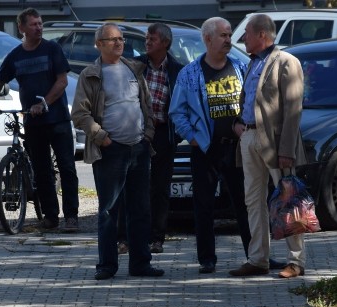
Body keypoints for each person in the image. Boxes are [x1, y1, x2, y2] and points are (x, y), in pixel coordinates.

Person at [71, 23, 164, 280]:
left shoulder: (134, 69)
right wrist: (101, 137)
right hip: (111, 151)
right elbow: (79, 113)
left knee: (140, 209)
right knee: (109, 210)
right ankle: (107, 266)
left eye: (121, 39)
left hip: (138, 148)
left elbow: (145, 105)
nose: (119, 43)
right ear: (99, 44)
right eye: (112, 40)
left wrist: (147, 136)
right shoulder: (91, 74)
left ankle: (140, 264)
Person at [0, 8, 80, 232]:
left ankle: (71, 217)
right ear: (22, 28)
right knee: (42, 171)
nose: (39, 27)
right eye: (34, 24)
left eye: (40, 23)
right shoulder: (16, 56)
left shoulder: (52, 49)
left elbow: (62, 81)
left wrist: (44, 102)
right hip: (34, 124)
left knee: (67, 168)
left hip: (58, 121)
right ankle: (50, 217)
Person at [169, 17, 252, 274]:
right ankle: (207, 259)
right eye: (223, 36)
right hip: (206, 149)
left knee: (246, 203)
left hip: (237, 148)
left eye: (229, 35)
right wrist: (193, 137)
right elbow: (177, 112)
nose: (229, 40)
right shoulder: (190, 73)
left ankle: (257, 255)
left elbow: (251, 101)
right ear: (207, 39)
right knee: (203, 205)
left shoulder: (241, 67)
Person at [229, 14, 306, 278]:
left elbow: (293, 110)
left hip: (275, 142)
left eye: (247, 33)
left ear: (262, 35)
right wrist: (238, 124)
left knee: (288, 199)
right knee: (253, 200)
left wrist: (287, 150)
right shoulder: (252, 63)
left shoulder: (286, 62)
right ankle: (258, 258)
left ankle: (296, 261)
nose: (243, 39)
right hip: (249, 137)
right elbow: (250, 101)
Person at [121, 23, 184, 255]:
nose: (147, 42)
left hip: (163, 135)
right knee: (132, 187)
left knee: (159, 189)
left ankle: (156, 238)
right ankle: (125, 238)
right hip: (136, 134)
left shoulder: (177, 70)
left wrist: (174, 136)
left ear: (165, 43)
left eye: (152, 39)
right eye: (146, 38)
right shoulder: (136, 66)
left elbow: (183, 106)